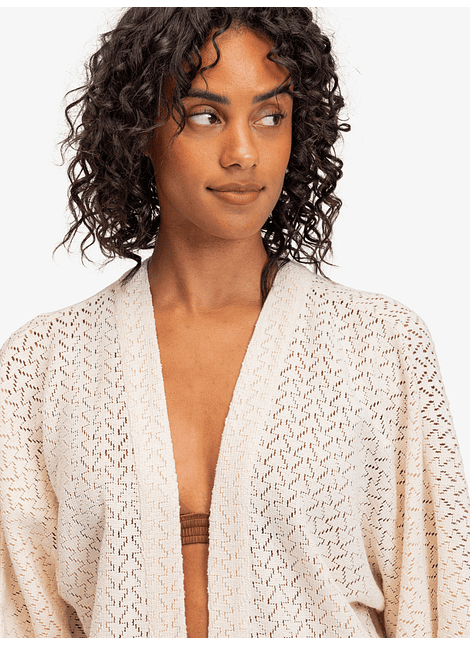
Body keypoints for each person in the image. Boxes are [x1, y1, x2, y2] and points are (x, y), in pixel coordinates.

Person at [1, 7, 469, 639]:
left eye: (270, 116)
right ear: (140, 128)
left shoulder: (380, 346)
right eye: (205, 115)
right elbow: (22, 615)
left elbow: (442, 606)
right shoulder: (42, 365)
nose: (244, 153)